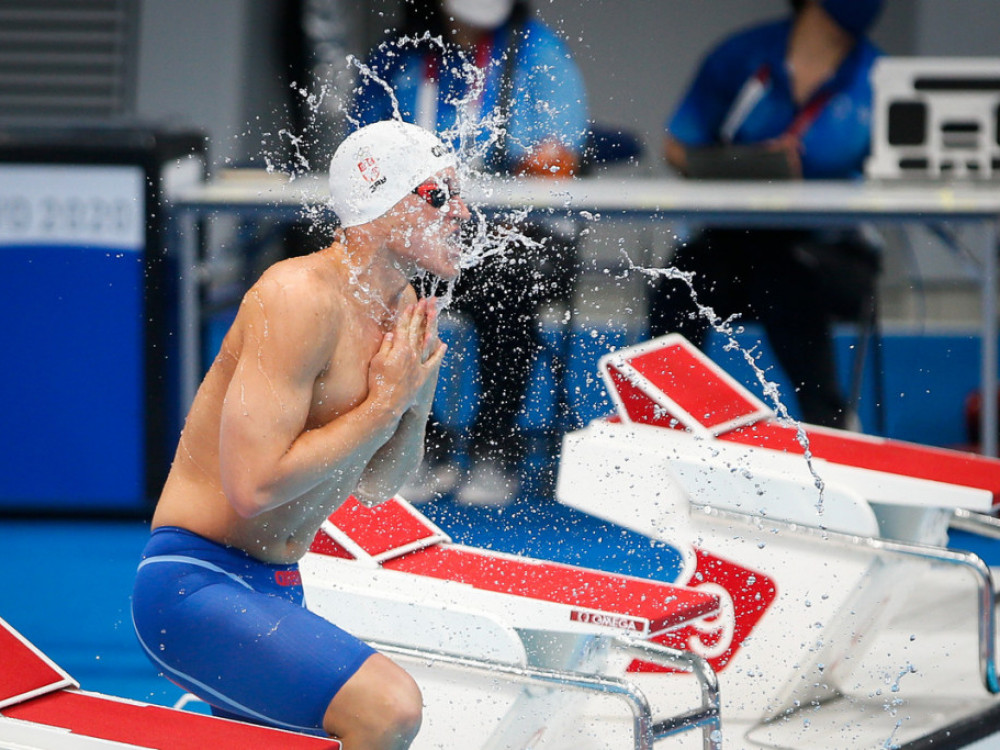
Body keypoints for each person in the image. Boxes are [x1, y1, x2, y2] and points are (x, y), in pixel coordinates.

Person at [132, 120, 470, 747]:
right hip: (194, 582)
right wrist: (382, 406)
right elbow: (253, 489)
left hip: (278, 587)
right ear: (380, 204)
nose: (463, 212)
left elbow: (378, 483)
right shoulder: (295, 296)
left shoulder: (400, 313)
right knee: (387, 707)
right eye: (438, 194)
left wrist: (414, 402)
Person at [352, 0, 589, 505]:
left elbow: (560, 155)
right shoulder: (398, 57)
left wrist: (542, 162)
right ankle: (416, 441)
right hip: (412, 233)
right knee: (368, 281)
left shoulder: (538, 51)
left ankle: (494, 442)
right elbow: (360, 155)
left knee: (510, 281)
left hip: (500, 232)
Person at [648, 0, 883, 428]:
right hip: (734, 245)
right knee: (679, 283)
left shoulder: (881, 79)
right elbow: (677, 147)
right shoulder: (742, 57)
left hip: (832, 252)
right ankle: (664, 420)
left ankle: (829, 425)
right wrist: (745, 163)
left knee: (784, 275)